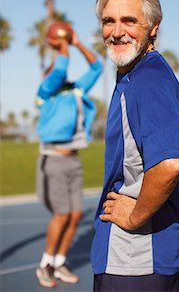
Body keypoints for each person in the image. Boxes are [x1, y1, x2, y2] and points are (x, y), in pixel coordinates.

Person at [91, 0, 179, 292]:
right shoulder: (138, 75)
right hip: (146, 257)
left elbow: (170, 162)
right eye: (109, 21)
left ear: (153, 26)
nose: (117, 31)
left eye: (129, 20)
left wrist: (134, 216)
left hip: (135, 258)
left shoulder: (146, 79)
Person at [35, 29, 103, 288]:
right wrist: (63, 42)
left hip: (74, 160)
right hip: (53, 159)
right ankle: (45, 264)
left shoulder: (74, 91)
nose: (56, 74)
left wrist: (77, 42)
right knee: (62, 214)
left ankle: (60, 261)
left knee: (75, 215)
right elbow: (61, 68)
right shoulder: (46, 93)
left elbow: (96, 67)